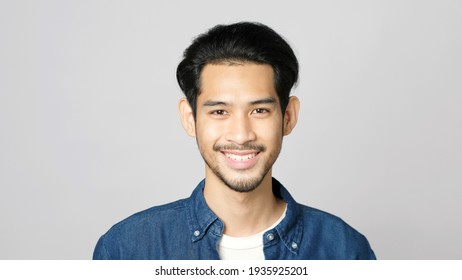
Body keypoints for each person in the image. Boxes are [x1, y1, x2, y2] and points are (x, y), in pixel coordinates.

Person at [93, 22, 376, 260]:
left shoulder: (345, 251)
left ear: (288, 116)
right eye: (219, 112)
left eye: (259, 111)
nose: (241, 134)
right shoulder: (126, 250)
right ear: (190, 119)